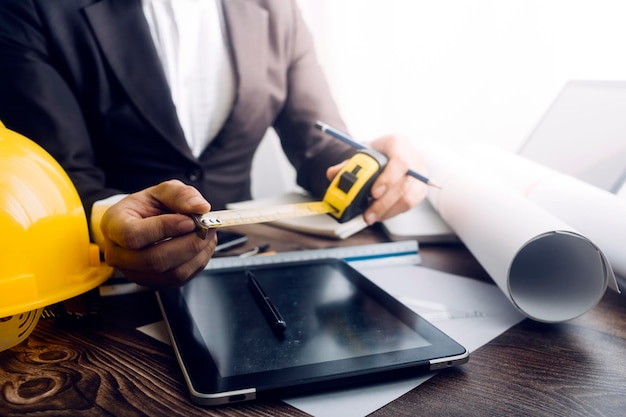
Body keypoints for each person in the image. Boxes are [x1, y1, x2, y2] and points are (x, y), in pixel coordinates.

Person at [0, 0, 427, 288]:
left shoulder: (275, 7)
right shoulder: (30, 8)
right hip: (105, 288)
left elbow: (319, 146)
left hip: (255, 270)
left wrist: (371, 163)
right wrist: (106, 219)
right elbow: (59, 178)